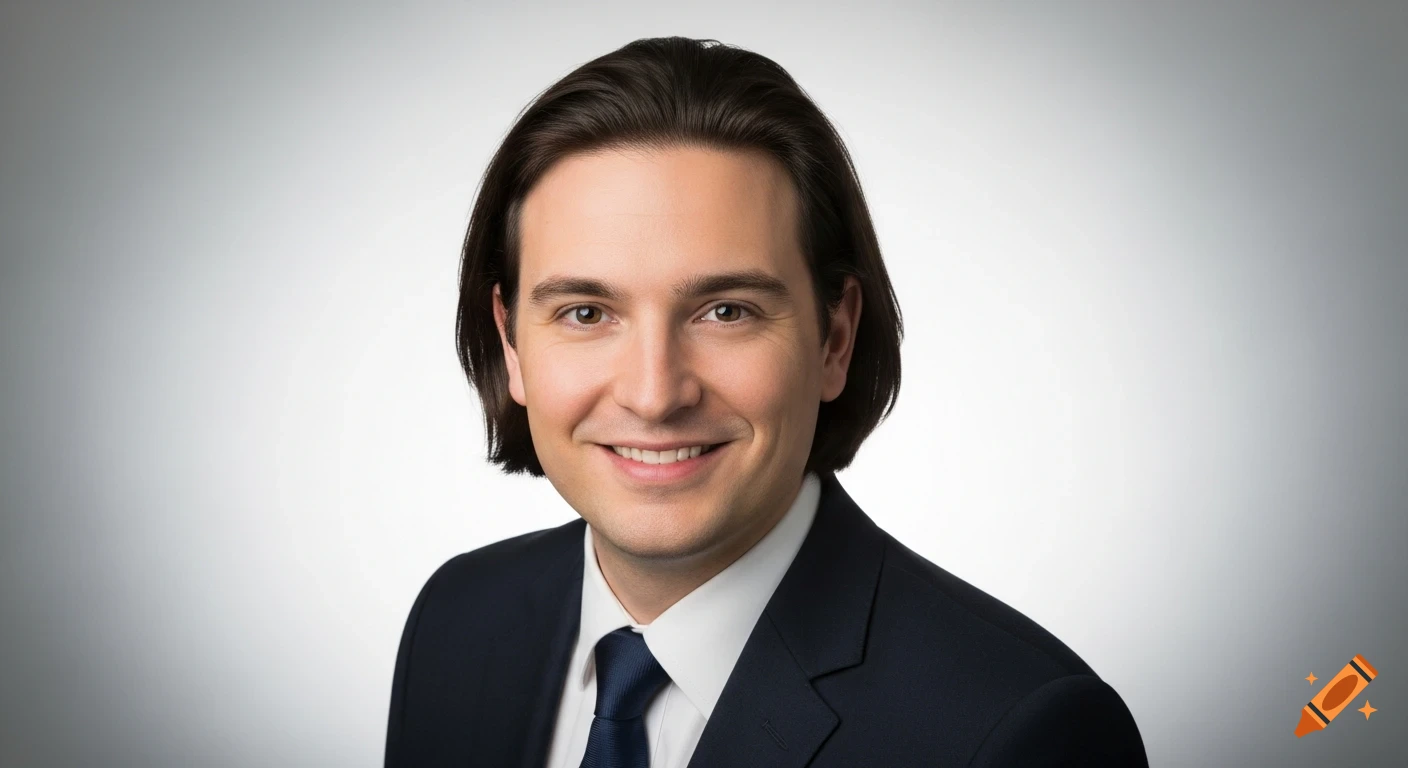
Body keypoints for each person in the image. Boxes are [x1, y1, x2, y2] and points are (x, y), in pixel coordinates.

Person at [384, 36, 1148, 767]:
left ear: (834, 339)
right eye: (586, 313)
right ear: (512, 343)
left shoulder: (1023, 732)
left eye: (727, 312)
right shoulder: (456, 621)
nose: (654, 395)